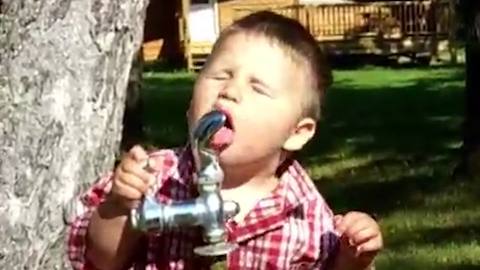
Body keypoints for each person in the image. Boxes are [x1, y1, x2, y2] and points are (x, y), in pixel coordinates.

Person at [66, 11, 383, 270]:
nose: (229, 91)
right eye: (219, 75)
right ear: (192, 106)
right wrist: (121, 207)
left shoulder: (304, 210)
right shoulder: (154, 177)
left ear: (296, 133)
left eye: (258, 88)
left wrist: (351, 259)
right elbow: (99, 258)